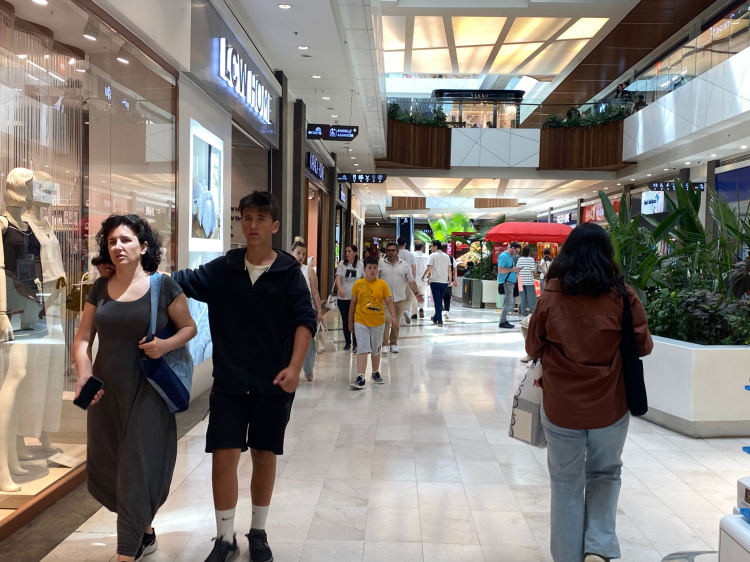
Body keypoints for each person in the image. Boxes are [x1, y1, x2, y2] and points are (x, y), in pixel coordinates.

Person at [173, 191, 316, 562]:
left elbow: (305, 321)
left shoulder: (288, 272)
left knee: (264, 455)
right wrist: (137, 274)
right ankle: (224, 538)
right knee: (223, 457)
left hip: (273, 383)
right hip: (229, 383)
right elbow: (180, 281)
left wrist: (295, 367)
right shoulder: (225, 268)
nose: (253, 225)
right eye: (247, 218)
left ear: (275, 226)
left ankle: (258, 532)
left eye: (261, 219)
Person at [525, 223, 653, 562]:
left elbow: (533, 346)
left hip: (561, 405)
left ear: (568, 254)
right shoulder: (623, 296)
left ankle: (568, 556)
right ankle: (598, 546)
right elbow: (643, 346)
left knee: (565, 482)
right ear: (606, 254)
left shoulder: (552, 295)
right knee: (605, 473)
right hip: (611, 404)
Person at [74, 214, 197, 562]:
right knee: (110, 467)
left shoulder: (162, 285)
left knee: (135, 468)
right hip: (105, 392)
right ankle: (145, 534)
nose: (118, 246)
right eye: (112, 241)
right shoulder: (100, 288)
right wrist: (84, 374)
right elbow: (82, 339)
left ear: (143, 247)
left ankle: (125, 552)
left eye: (126, 240)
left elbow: (188, 327)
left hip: (148, 391)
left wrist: (164, 345)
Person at [349, 256, 397, 389]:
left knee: (376, 349)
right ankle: (361, 376)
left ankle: (375, 372)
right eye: (370, 268)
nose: (372, 270)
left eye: (375, 268)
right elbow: (353, 303)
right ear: (364, 269)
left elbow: (389, 302)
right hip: (360, 321)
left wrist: (393, 316)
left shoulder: (382, 284)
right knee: (362, 348)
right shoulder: (358, 284)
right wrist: (350, 321)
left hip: (378, 322)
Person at [379, 242, 423, 354]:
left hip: (399, 298)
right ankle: (385, 344)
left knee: (396, 322)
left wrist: (416, 293)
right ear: (386, 251)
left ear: (397, 252)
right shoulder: (381, 264)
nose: (390, 252)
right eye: (388, 250)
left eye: (393, 250)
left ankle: (393, 343)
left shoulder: (405, 265)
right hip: (384, 299)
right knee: (386, 320)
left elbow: (411, 280)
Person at [291, 240, 324, 381]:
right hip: (290, 310)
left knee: (308, 341)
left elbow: (315, 292)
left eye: (303, 254)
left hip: (306, 310)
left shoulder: (309, 271)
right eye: (298, 253)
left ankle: (308, 369)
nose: (300, 256)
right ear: (292, 253)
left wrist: (320, 311)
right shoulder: (285, 269)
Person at [335, 245, 364, 352]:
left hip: (356, 298)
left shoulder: (360, 265)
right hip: (343, 298)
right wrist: (340, 288)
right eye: (346, 251)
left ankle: (356, 343)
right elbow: (338, 278)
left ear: (355, 253)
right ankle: (348, 342)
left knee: (356, 320)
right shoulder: (342, 264)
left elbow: (365, 279)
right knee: (346, 320)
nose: (347, 253)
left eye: (349, 251)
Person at [422, 240, 452, 326]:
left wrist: (424, 276)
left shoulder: (432, 256)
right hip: (444, 282)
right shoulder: (446, 256)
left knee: (437, 301)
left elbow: (429, 268)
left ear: (436, 246)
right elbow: (449, 269)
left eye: (431, 246)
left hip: (435, 281)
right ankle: (435, 317)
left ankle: (439, 319)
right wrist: (449, 279)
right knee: (439, 300)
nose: (431, 248)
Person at [497, 242, 521, 329]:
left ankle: (504, 320)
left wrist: (515, 270)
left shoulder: (510, 256)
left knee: (507, 302)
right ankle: (502, 321)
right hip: (507, 282)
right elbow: (500, 270)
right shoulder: (504, 256)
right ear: (512, 247)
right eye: (516, 251)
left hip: (511, 282)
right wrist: (512, 269)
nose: (516, 253)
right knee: (508, 302)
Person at [397, 237, 416, 325]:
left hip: (398, 279)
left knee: (399, 298)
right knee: (408, 298)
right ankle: (406, 310)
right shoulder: (410, 254)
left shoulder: (396, 253)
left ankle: (399, 315)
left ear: (397, 244)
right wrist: (413, 279)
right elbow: (414, 267)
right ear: (405, 244)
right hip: (408, 279)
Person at [516, 245, 538, 316]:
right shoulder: (531, 259)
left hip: (520, 280)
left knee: (522, 297)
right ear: (529, 252)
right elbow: (532, 270)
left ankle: (523, 311)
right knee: (531, 296)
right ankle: (533, 310)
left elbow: (517, 269)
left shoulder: (519, 259)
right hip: (529, 280)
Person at [411, 242, 429, 319]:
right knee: (422, 294)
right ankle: (421, 308)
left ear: (415, 247)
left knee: (413, 296)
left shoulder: (412, 256)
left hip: (413, 279)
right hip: (423, 279)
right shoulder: (426, 256)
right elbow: (429, 268)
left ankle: (414, 313)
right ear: (422, 248)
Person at [442, 243, 459, 321]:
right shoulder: (451, 258)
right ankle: (446, 311)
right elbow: (455, 269)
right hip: (449, 280)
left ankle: (440, 309)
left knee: (439, 296)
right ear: (446, 249)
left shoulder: (436, 257)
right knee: (447, 296)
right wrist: (455, 279)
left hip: (439, 279)